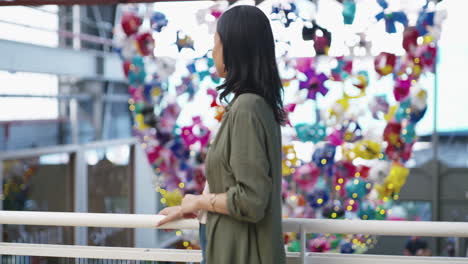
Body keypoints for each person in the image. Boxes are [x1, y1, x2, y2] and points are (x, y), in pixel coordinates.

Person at [156, 5, 286, 264]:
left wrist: (199, 202)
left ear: (234, 50)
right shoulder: (251, 105)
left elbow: (251, 200)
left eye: (217, 42)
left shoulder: (247, 107)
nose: (213, 50)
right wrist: (193, 207)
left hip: (242, 253)